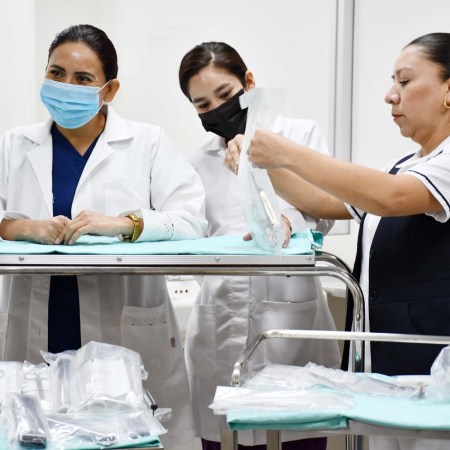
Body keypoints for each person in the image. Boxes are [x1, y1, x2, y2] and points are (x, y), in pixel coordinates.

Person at [228, 32, 450, 450]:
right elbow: (326, 201)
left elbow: (390, 197)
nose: (391, 95)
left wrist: (287, 153)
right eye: (392, 81)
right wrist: (259, 166)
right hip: (385, 367)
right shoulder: (404, 164)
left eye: (405, 81)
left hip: (433, 368)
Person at [0, 24, 207, 448]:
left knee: (127, 435)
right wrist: (23, 228)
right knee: (35, 434)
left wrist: (126, 224)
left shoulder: (147, 143)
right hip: (37, 323)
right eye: (56, 73)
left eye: (82, 79)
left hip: (123, 333)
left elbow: (193, 220)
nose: (66, 86)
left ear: (109, 90)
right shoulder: (15, 145)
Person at [179, 41, 341, 450]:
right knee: (224, 435)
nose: (217, 109)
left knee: (298, 434)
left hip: (292, 315)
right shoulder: (197, 163)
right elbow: (195, 239)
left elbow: (329, 208)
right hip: (219, 321)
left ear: (249, 82)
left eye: (225, 94)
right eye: (202, 104)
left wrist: (288, 221)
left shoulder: (299, 135)